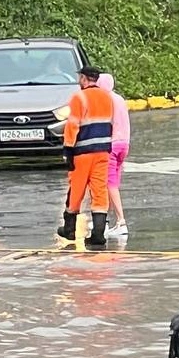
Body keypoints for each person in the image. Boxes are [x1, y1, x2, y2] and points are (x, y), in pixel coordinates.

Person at [56, 66, 115, 247]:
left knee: (76, 188)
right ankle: (98, 234)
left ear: (83, 78)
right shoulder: (107, 97)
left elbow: (72, 125)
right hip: (103, 151)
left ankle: (70, 229)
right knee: (99, 190)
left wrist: (68, 149)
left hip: (82, 152)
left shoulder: (78, 97)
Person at [98, 72, 130, 238]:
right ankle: (107, 221)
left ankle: (121, 221)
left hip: (111, 145)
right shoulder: (119, 99)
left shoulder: (106, 100)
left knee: (109, 184)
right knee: (112, 183)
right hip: (124, 144)